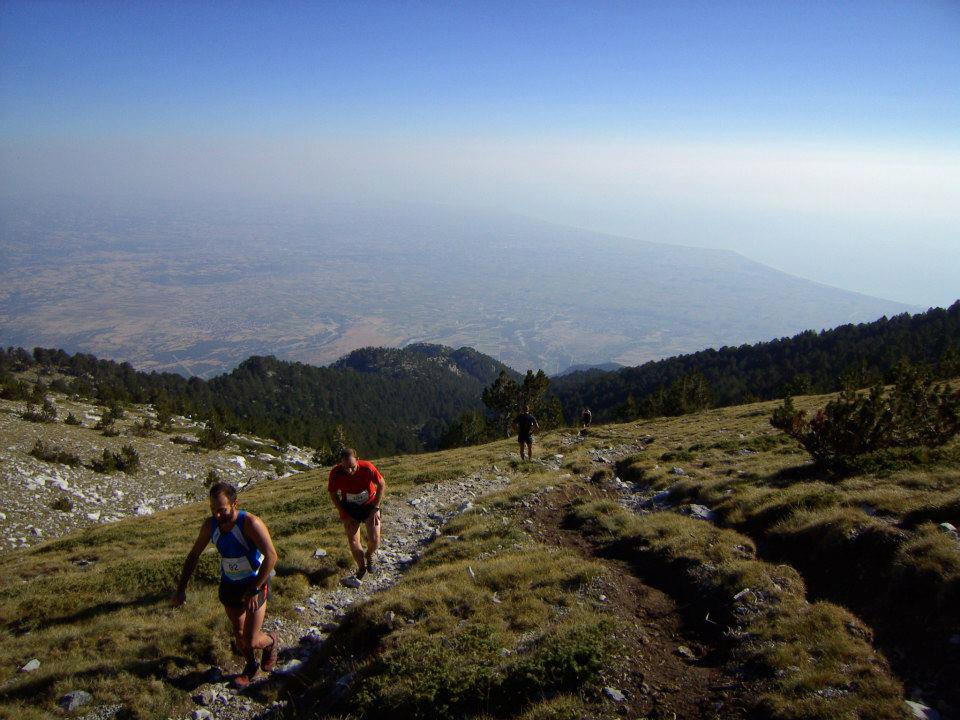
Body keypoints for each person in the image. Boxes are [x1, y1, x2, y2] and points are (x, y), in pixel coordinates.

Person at [172, 481, 279, 688]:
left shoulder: (250, 523)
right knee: (238, 632)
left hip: (254, 582)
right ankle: (250, 666)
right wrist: (181, 589)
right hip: (230, 583)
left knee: (251, 639)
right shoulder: (210, 525)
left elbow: (272, 556)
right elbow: (193, 555)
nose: (217, 515)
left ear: (234, 504)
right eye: (213, 510)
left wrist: (255, 588)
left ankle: (270, 641)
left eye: (222, 510)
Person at [328, 447, 385, 588]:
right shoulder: (335, 473)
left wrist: (376, 507)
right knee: (353, 541)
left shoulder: (367, 468)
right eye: (345, 467)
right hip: (350, 508)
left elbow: (381, 484)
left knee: (375, 539)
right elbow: (333, 494)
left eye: (352, 467)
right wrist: (344, 514)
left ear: (358, 460)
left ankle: (369, 555)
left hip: (369, 505)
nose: (349, 471)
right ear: (340, 463)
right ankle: (361, 568)